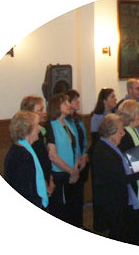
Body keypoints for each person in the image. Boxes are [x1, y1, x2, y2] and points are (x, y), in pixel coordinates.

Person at [91, 114, 139, 244]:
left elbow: (125, 169)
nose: (122, 134)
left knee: (126, 232)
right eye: (121, 131)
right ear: (112, 132)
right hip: (114, 201)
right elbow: (121, 178)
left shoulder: (109, 147)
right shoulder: (104, 151)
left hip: (118, 198)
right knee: (121, 234)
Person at [45, 94, 82, 225]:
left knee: (73, 208)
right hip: (59, 174)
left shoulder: (68, 123)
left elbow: (75, 148)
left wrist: (75, 169)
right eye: (65, 103)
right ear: (56, 106)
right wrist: (71, 171)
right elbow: (53, 156)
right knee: (61, 210)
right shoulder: (50, 126)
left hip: (72, 172)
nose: (69, 105)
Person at [5, 110, 49, 210]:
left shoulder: (22, 150)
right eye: (37, 125)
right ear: (27, 129)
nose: (39, 128)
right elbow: (26, 190)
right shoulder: (23, 156)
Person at [89, 87, 117, 231]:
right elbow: (96, 140)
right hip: (101, 156)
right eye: (112, 97)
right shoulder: (97, 116)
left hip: (114, 154)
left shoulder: (115, 113)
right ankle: (100, 223)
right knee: (101, 190)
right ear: (104, 100)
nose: (115, 99)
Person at [117, 100, 139, 210]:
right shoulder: (125, 135)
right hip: (130, 181)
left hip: (136, 177)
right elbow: (132, 163)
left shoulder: (135, 131)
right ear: (133, 116)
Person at [20, 96, 55, 199]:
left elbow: (46, 157)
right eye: (40, 110)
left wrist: (51, 178)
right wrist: (45, 184)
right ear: (29, 113)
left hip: (46, 176)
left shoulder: (41, 131)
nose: (44, 112)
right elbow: (37, 162)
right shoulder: (30, 136)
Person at [64, 89, 88, 228]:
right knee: (71, 198)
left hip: (81, 159)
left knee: (79, 196)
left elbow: (82, 139)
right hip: (72, 163)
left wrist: (84, 154)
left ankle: (80, 224)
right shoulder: (65, 121)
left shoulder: (77, 119)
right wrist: (78, 157)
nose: (78, 102)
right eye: (75, 100)